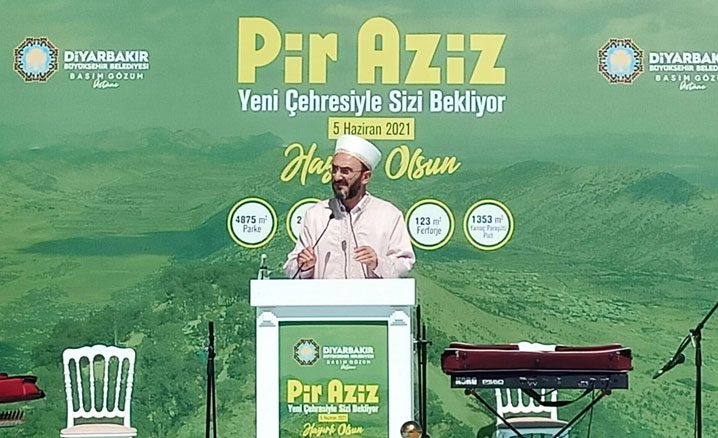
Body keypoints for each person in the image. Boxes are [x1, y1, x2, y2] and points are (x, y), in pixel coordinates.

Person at [284, 134, 415, 279]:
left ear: (365, 177)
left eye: (345, 171)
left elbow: (405, 265)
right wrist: (304, 266)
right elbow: (291, 268)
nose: (337, 177)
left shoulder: (388, 215)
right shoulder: (317, 215)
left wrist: (378, 263)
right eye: (334, 169)